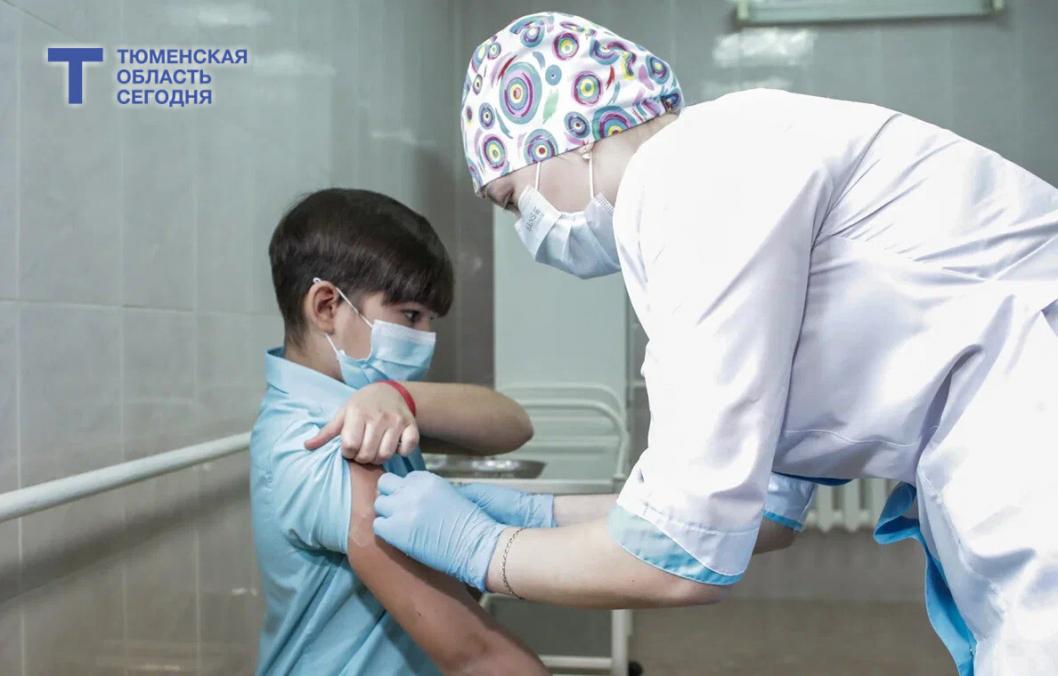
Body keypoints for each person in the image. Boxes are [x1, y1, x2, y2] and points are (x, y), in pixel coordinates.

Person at [340, 12, 1058, 675]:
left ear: (565, 134)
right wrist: (532, 514)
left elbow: (680, 552)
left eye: (512, 199)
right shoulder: (713, 179)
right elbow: (759, 513)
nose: (527, 227)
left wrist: (481, 549)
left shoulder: (693, 178)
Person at [250, 188, 547, 675]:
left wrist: (401, 396)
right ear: (326, 307)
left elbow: (512, 425)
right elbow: (474, 651)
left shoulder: (368, 405)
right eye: (410, 315)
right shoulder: (322, 439)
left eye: (430, 319)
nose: (425, 337)